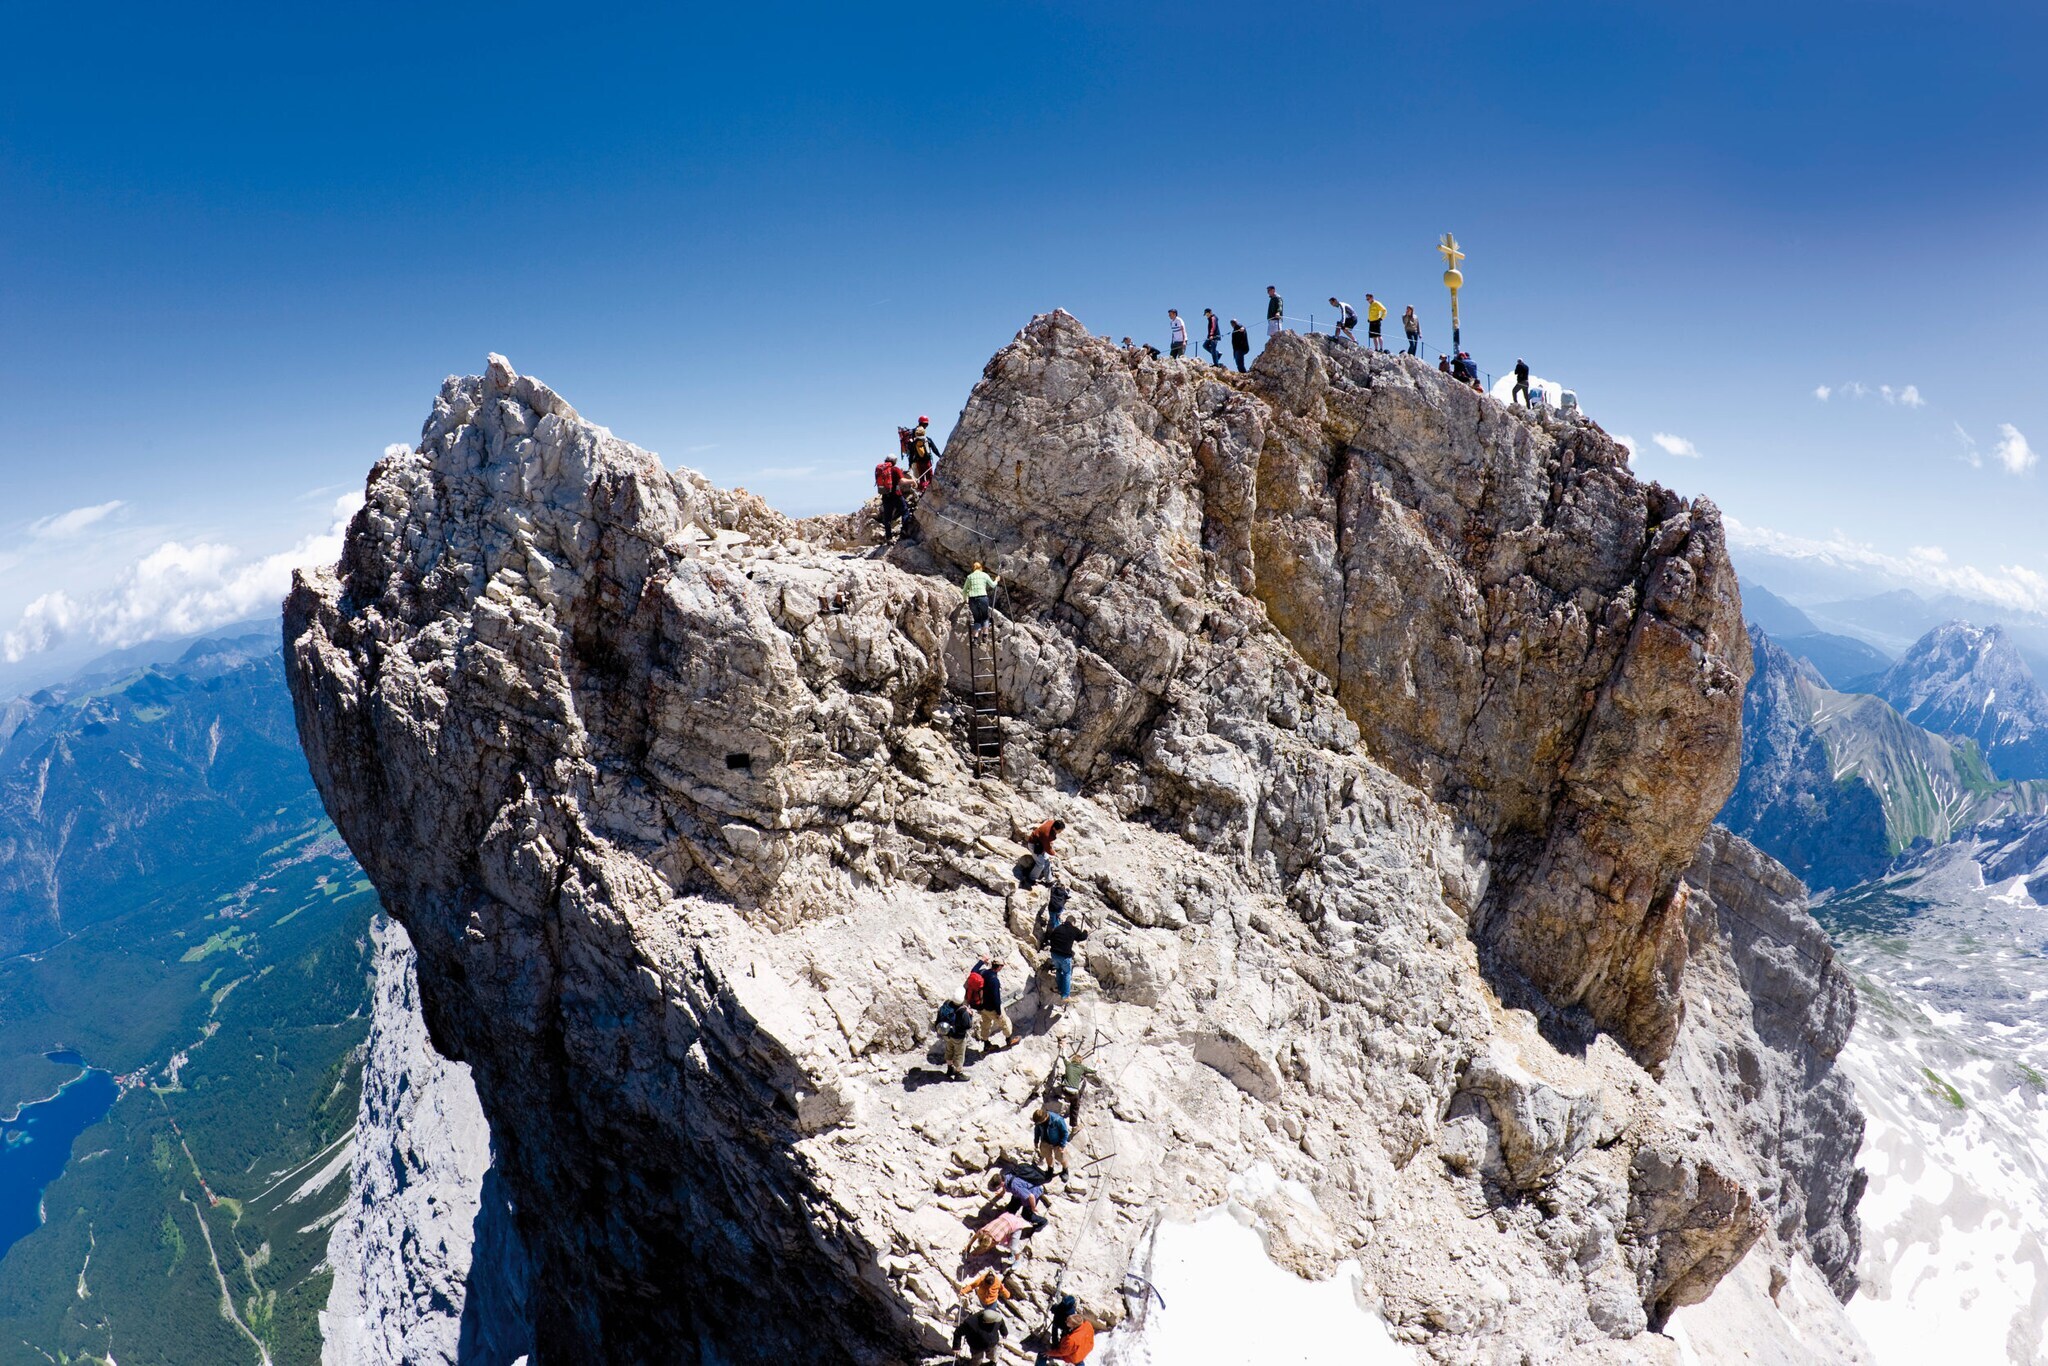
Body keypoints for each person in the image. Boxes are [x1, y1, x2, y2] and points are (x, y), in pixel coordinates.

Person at [975, 957, 1015, 1051]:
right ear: (999, 967)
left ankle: (986, 1044)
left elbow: (973, 971)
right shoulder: (994, 980)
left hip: (982, 1006)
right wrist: (998, 1012)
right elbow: (996, 998)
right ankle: (1009, 1040)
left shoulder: (983, 972)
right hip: (992, 1008)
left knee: (985, 1024)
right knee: (1005, 1023)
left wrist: (981, 962)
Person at [993, 1166, 1050, 1231]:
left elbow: (1031, 1196)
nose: (997, 1188)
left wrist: (1033, 1207)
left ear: (1001, 1183)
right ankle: (1009, 1222)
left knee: (1026, 1214)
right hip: (1020, 1194)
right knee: (1010, 1210)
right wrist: (1002, 1193)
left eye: (998, 1187)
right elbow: (1005, 1186)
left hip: (1033, 1193)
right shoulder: (1005, 1176)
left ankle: (1042, 1222)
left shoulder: (1014, 1186)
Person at [1046, 915, 1088, 1002]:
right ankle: (1065, 996)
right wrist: (1086, 931)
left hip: (1054, 954)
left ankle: (1059, 988)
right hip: (1064, 956)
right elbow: (1082, 937)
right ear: (1073, 922)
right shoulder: (1073, 929)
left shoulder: (1058, 928)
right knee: (1067, 973)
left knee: (1058, 970)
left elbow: (1051, 937)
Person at [935, 996, 973, 1078]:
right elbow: (968, 1025)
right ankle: (958, 1074)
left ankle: (949, 1069)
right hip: (958, 1037)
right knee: (959, 1055)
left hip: (947, 1034)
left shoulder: (946, 1005)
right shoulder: (963, 1011)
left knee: (949, 1050)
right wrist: (970, 1015)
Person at [874, 454, 908, 541]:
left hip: (885, 496)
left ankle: (889, 537)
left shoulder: (880, 469)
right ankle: (904, 531)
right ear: (894, 461)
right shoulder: (895, 469)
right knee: (904, 511)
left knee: (887, 518)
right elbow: (902, 481)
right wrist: (913, 481)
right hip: (896, 495)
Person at [1032, 1105, 1073, 1175]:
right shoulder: (1039, 1122)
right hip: (1045, 1141)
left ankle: (1065, 1171)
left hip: (1057, 1143)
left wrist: (1062, 1145)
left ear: (1045, 1118)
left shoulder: (1057, 1120)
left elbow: (1065, 1133)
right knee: (1047, 1156)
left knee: (1062, 1158)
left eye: (1039, 1122)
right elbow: (1037, 1130)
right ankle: (1050, 1170)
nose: (1038, 1124)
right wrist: (1036, 1141)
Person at [1027, 817, 1065, 886]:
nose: (1060, 833)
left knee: (1047, 861)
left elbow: (1046, 843)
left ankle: (1049, 880)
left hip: (1040, 844)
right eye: (1059, 831)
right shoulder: (1046, 835)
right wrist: (1054, 854)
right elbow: (1048, 848)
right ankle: (1031, 879)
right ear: (1054, 828)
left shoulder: (1051, 822)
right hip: (1034, 845)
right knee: (1041, 864)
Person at [963, 562, 999, 632]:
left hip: (972, 599)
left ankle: (975, 638)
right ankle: (985, 635)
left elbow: (964, 590)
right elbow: (993, 585)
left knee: (977, 619)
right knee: (985, 617)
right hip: (983, 598)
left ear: (973, 569)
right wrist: (996, 580)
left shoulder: (969, 577)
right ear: (980, 568)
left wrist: (966, 600)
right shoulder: (984, 575)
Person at [907, 415, 941, 481]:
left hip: (917, 461)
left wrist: (910, 464)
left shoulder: (913, 439)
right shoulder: (928, 440)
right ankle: (928, 490)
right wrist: (940, 456)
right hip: (926, 460)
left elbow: (911, 452)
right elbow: (934, 449)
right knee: (930, 478)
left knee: (920, 479)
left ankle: (921, 489)